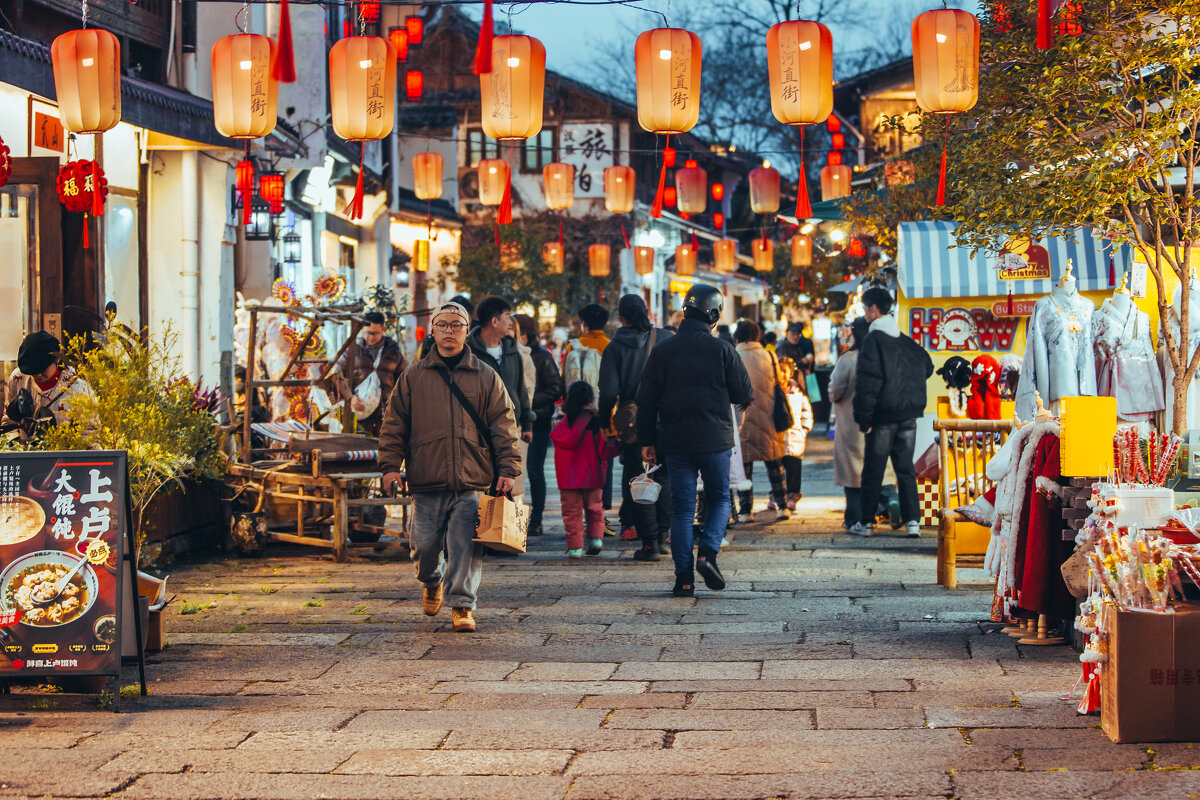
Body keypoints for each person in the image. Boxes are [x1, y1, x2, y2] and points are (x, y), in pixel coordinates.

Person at [378, 302, 521, 633]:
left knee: (466, 547)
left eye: (456, 325)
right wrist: (389, 466)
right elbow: (393, 425)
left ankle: (462, 606)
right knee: (424, 547)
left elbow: (504, 425)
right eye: (442, 325)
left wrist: (507, 470)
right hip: (426, 479)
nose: (448, 331)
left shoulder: (486, 376)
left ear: (467, 329)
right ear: (433, 331)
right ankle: (431, 582)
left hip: (472, 478)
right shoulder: (412, 377)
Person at [637, 284, 753, 597]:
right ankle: (708, 553)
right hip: (715, 441)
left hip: (675, 441)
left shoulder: (662, 351)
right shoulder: (723, 349)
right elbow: (744, 393)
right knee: (719, 499)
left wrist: (646, 441)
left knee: (683, 509)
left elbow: (645, 401)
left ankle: (683, 579)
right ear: (713, 313)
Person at [851, 287, 934, 538]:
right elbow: (927, 366)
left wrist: (863, 418)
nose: (865, 313)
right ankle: (913, 522)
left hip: (883, 418)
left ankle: (866, 523)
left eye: (865, 308)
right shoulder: (906, 341)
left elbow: (868, 383)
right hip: (909, 417)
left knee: (874, 470)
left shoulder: (873, 340)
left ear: (873, 309)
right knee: (906, 469)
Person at [598, 294, 675, 561]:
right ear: (646, 312)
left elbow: (608, 390)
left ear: (621, 316)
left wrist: (604, 420)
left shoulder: (615, 347)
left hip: (634, 423)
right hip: (668, 418)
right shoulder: (666, 338)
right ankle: (664, 535)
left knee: (639, 478)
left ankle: (649, 543)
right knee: (664, 477)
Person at [829, 318, 898, 529]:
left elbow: (835, 390)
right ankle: (891, 502)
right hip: (883, 421)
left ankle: (855, 517)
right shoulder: (886, 357)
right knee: (882, 466)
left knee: (853, 471)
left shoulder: (848, 359)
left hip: (853, 424)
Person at [551, 381, 616, 558]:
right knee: (595, 508)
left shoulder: (564, 423)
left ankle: (575, 548)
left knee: (571, 513)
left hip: (568, 478)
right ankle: (596, 540)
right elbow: (605, 450)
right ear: (590, 399)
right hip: (592, 473)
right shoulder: (595, 421)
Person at [733, 320, 789, 520]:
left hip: (743, 418)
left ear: (737, 336)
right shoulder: (770, 356)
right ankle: (783, 506)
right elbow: (780, 382)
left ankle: (746, 511)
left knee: (744, 467)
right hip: (769, 417)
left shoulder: (733, 356)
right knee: (774, 464)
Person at [514, 313, 563, 538]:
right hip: (515, 422)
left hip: (537, 421)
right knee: (515, 472)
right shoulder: (511, 354)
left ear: (523, 334)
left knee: (534, 471)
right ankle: (514, 520)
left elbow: (555, 388)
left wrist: (528, 402)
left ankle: (536, 519)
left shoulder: (541, 356)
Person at [564, 303, 615, 516]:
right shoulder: (609, 346)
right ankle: (602, 511)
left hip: (577, 416)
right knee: (605, 463)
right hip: (604, 416)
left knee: (579, 462)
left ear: (584, 324)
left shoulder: (572, 347)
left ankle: (581, 511)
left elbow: (564, 380)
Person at [466, 296, 533, 444]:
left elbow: (520, 389)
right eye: (507, 316)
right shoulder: (468, 353)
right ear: (494, 321)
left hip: (510, 427)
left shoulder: (511, 351)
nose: (511, 322)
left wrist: (527, 423)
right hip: (478, 432)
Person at [2, 331, 93, 441]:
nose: (38, 375)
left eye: (42, 369)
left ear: (57, 359)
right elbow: (8, 421)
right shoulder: (18, 379)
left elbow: (90, 433)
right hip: (24, 454)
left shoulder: (78, 389)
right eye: (33, 371)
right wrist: (14, 443)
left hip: (63, 454)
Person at [333, 311, 405, 437]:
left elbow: (404, 379)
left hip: (385, 415)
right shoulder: (352, 349)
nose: (370, 337)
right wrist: (350, 398)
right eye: (367, 333)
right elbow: (337, 376)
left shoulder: (393, 351)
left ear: (383, 329)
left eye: (374, 333)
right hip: (359, 411)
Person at [779, 359, 814, 510]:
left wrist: (804, 429)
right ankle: (778, 494)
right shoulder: (774, 392)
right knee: (778, 468)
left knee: (794, 468)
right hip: (778, 438)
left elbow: (806, 412)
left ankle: (793, 494)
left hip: (795, 438)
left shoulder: (798, 394)